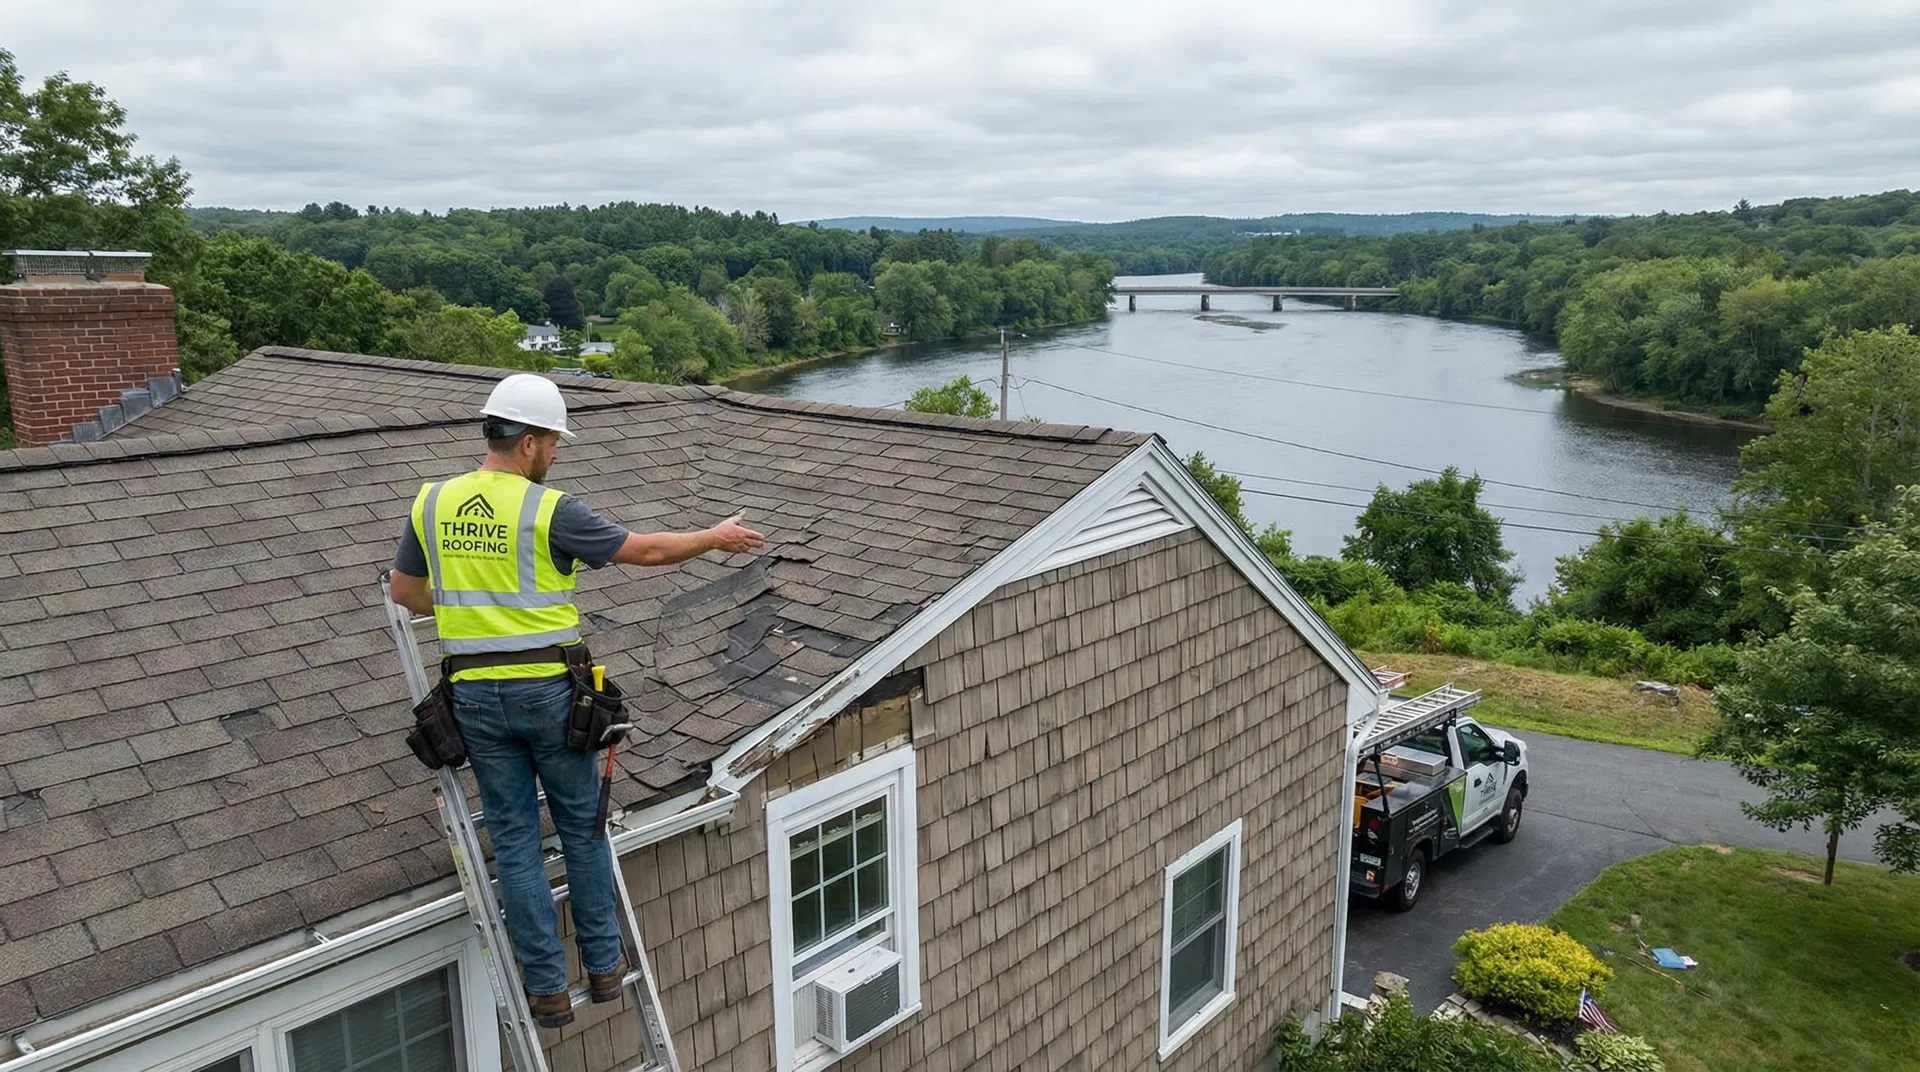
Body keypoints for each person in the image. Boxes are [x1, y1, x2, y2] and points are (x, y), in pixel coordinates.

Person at [389, 373, 763, 1027]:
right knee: (583, 833)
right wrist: (714, 537)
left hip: (473, 696)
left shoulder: (431, 503)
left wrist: (468, 604)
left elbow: (405, 592)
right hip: (548, 693)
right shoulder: (548, 510)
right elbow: (641, 550)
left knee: (512, 842)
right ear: (529, 442)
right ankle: (604, 968)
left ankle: (546, 991)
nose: (557, 454)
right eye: (555, 443)